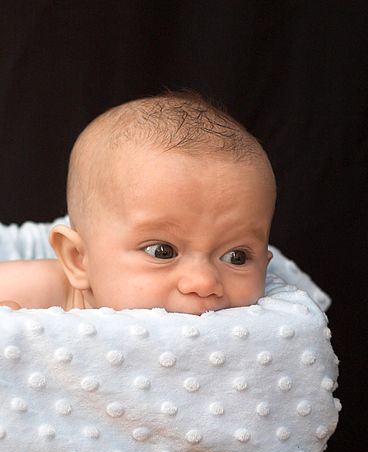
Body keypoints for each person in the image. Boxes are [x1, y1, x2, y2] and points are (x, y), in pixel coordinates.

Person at [0, 91, 276, 315]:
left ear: (265, 262)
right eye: (162, 251)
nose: (203, 283)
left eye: (236, 257)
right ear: (78, 259)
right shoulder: (44, 288)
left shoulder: (265, 327)